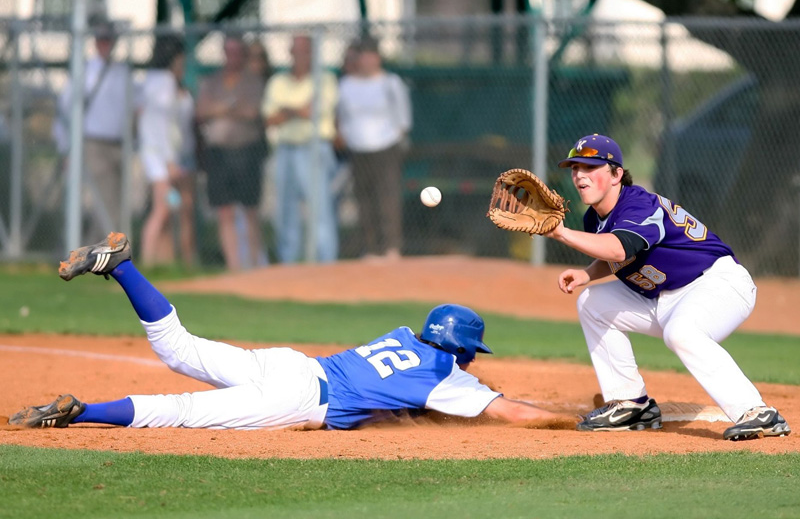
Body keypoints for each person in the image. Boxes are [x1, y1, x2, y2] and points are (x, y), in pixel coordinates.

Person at [9, 233, 574, 431]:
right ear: (459, 350)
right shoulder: (443, 376)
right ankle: (80, 413)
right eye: (470, 355)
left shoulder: (404, 336)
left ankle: (123, 265)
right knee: (179, 410)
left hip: (291, 364)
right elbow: (512, 413)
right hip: (299, 397)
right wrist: (576, 420)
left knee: (177, 348)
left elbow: (399, 397)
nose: (471, 365)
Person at [544, 133, 791, 441]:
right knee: (592, 302)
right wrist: (588, 274)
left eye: (590, 167)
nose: (580, 175)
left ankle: (757, 412)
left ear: (617, 174)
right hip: (665, 297)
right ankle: (631, 405)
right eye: (575, 168)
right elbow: (622, 255)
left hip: (717, 283)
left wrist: (561, 234)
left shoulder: (639, 205)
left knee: (682, 332)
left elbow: (621, 248)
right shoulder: (594, 218)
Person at [262, 34, 339, 264]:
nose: (300, 55)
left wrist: (286, 111)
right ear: (290, 53)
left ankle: (325, 263)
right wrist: (297, 110)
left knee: (319, 209)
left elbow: (313, 111)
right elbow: (270, 119)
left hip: (314, 148)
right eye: (296, 50)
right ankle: (288, 263)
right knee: (285, 210)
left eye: (305, 50)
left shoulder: (324, 79)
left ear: (313, 54)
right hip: (285, 149)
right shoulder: (278, 82)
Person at [54, 19, 131, 242]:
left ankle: (98, 251)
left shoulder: (122, 71)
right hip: (93, 144)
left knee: (115, 201)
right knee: (105, 203)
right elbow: (64, 110)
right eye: (101, 39)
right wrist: (65, 147)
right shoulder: (85, 72)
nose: (105, 44)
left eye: (109, 39)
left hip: (119, 144)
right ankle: (99, 252)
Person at [195, 35, 267, 271]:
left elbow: (252, 112)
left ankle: (255, 265)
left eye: (237, 52)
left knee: (250, 210)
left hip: (246, 152)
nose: (232, 56)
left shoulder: (253, 81)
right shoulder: (212, 80)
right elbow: (202, 111)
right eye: (229, 51)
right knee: (224, 210)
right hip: (218, 155)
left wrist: (220, 108)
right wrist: (231, 106)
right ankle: (235, 267)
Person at [336, 38, 412, 261]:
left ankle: (391, 247)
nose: (367, 60)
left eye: (371, 55)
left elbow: (403, 119)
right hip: (358, 149)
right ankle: (371, 249)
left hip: (386, 147)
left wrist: (395, 139)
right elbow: (341, 118)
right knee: (364, 199)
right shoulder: (346, 84)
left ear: (378, 58)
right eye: (363, 56)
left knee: (387, 197)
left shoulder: (391, 83)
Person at [137, 34, 196, 267]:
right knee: (162, 210)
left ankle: (164, 262)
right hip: (160, 158)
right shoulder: (164, 83)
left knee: (172, 207)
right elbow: (163, 126)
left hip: (158, 155)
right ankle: (148, 262)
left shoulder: (151, 81)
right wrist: (170, 161)